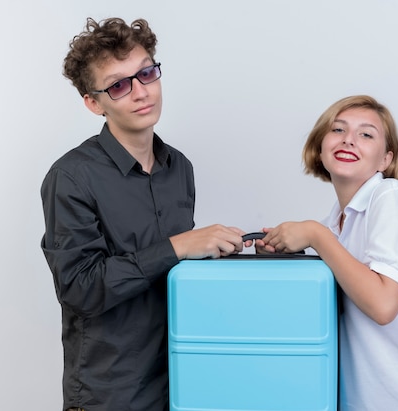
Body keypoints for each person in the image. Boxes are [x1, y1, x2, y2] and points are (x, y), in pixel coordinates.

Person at [40, 17, 249, 411]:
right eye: (119, 85)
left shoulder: (180, 169)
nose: (141, 92)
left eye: (146, 73)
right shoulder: (70, 177)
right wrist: (176, 246)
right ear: (93, 102)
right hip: (111, 393)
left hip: (180, 381)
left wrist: (234, 254)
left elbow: (177, 274)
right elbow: (79, 289)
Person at [256, 95, 398, 410]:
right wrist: (281, 256)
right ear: (320, 148)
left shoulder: (390, 198)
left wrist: (314, 236)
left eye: (366, 134)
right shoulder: (334, 226)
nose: (349, 140)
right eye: (338, 130)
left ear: (385, 160)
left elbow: (383, 305)